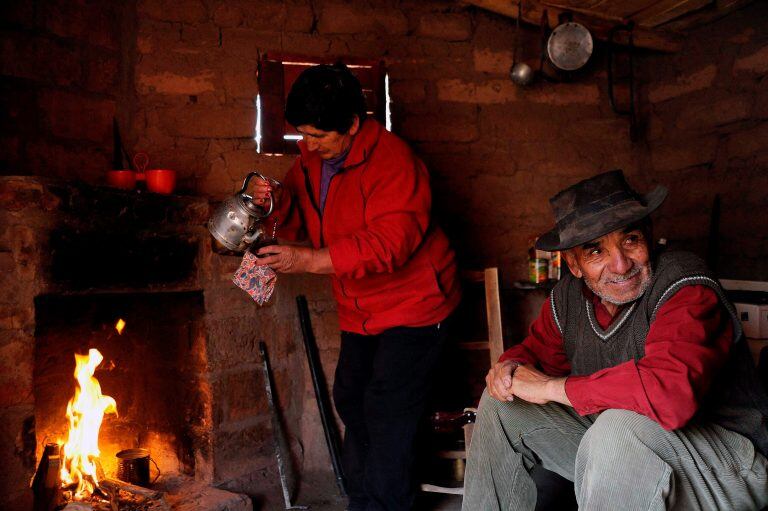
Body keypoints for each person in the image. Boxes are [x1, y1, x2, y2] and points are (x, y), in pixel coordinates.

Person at [462, 170, 768, 510]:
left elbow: (670, 395)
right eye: (596, 251)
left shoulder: (684, 285)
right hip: (633, 450)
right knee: (502, 405)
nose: (620, 265)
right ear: (574, 265)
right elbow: (535, 354)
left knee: (617, 428)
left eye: (630, 240)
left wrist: (552, 388)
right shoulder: (569, 299)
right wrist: (509, 369)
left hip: (731, 467)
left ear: (649, 237)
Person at [253, 63, 461, 511]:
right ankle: (364, 499)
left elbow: (390, 244)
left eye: (319, 136)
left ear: (352, 123)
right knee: (351, 395)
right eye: (303, 136)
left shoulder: (393, 161)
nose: (308, 146)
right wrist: (271, 201)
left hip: (416, 305)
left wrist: (308, 260)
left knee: (388, 411)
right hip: (362, 307)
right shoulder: (312, 159)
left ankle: (385, 504)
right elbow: (297, 213)